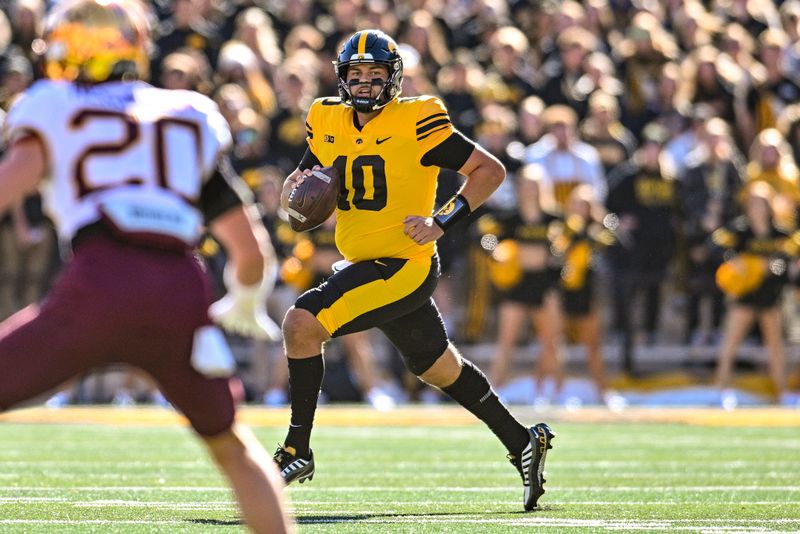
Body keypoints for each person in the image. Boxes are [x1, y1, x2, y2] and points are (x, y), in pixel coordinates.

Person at [0, 1, 292, 532]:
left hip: (98, 282)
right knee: (233, 447)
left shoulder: (52, 103)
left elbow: (11, 183)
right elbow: (250, 251)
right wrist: (244, 300)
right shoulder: (186, 113)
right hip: (182, 289)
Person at [274, 29, 554, 511]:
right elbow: (309, 178)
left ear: (394, 78)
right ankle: (522, 440)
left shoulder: (417, 117)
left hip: (404, 264)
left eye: (375, 74)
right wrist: (292, 195)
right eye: (355, 74)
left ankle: (297, 450)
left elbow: (489, 171)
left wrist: (442, 220)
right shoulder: (325, 117)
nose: (363, 84)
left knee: (301, 323)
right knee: (438, 367)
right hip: (365, 263)